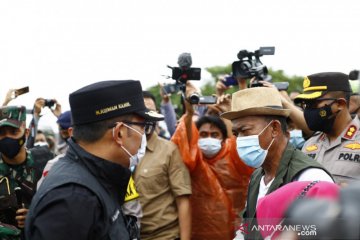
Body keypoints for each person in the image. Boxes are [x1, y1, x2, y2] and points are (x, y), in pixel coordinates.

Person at [25, 80, 163, 240]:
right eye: (143, 127)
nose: (144, 137)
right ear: (119, 133)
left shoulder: (98, 179)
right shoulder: (73, 201)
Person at [221, 87, 333, 240]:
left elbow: (321, 232)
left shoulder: (310, 179)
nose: (240, 139)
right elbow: (249, 226)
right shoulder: (257, 176)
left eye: (245, 131)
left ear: (274, 129)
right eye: (236, 133)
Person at [171, 83, 254, 240]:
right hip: (199, 232)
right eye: (203, 134)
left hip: (237, 231)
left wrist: (230, 112)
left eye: (214, 134)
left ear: (223, 138)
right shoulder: (194, 161)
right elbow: (184, 139)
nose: (208, 138)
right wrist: (189, 114)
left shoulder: (233, 155)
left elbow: (241, 144)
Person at [134, 91, 192, 240]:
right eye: (142, 112)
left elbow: (183, 200)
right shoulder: (120, 152)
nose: (147, 117)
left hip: (164, 235)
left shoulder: (168, 150)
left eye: (151, 111)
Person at [293, 72, 360, 184]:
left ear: (340, 104)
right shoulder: (309, 145)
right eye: (306, 105)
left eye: (314, 104)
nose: (308, 111)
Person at [0, 106, 54, 237]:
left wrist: (36, 217)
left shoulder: (47, 163)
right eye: (1, 133)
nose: (7, 138)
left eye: (14, 132)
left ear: (27, 133)